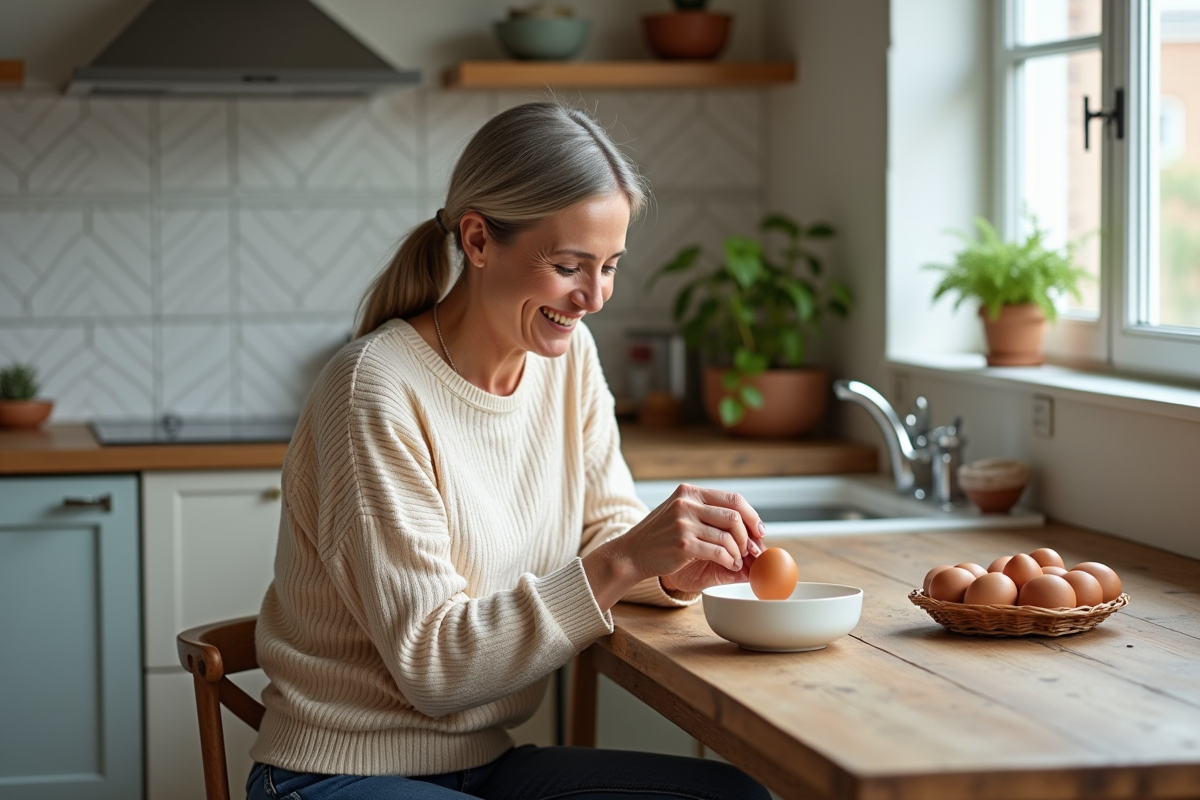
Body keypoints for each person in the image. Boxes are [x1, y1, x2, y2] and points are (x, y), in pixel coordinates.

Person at [246, 101, 772, 800]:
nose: (593, 297)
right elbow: (434, 667)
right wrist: (623, 559)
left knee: (734, 797)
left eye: (610, 266)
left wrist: (674, 566)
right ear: (478, 239)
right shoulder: (373, 388)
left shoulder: (566, 357)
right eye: (568, 266)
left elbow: (604, 531)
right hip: (335, 773)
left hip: (483, 764)